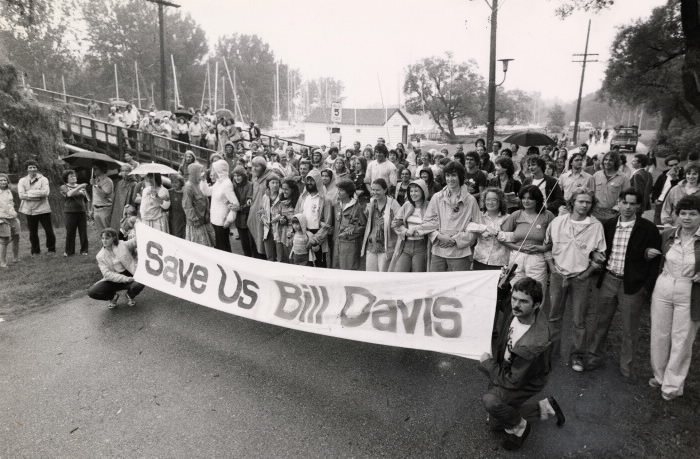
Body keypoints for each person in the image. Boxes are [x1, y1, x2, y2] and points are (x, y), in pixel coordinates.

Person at [479, 277, 565, 451]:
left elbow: (513, 381)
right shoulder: (519, 311)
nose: (516, 305)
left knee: (491, 402)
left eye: (523, 301)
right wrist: (503, 287)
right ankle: (547, 408)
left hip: (524, 380)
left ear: (536, 305)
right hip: (510, 368)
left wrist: (488, 364)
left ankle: (521, 427)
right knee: (496, 423)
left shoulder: (534, 343)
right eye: (514, 299)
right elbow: (504, 304)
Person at [587, 188, 662, 378]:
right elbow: (597, 248)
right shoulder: (609, 224)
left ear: (638, 206)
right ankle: (594, 357)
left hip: (632, 285)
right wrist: (595, 255)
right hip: (609, 280)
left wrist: (646, 287)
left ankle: (626, 368)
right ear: (618, 203)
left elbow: (655, 262)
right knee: (601, 323)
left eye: (632, 204)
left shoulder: (648, 228)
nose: (628, 207)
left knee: (630, 329)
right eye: (625, 202)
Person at [545, 188, 606, 368]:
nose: (584, 205)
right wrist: (552, 270)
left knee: (579, 320)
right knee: (554, 316)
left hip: (581, 278)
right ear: (572, 202)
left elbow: (600, 256)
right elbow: (547, 246)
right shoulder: (557, 222)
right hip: (558, 275)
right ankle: (551, 352)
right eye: (581, 201)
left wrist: (585, 274)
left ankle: (577, 356)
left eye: (588, 202)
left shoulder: (596, 226)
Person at [648, 195, 700, 401]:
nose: (687, 218)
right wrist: (648, 253)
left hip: (690, 289)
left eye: (693, 214)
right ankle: (659, 376)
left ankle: (672, 385)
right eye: (683, 213)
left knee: (682, 337)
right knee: (659, 333)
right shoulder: (668, 234)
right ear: (677, 215)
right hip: (664, 283)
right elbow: (653, 255)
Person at [421, 161, 481, 272]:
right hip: (438, 251)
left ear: (460, 177)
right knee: (437, 286)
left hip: (460, 253)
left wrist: (455, 240)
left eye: (454, 175)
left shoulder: (470, 200)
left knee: (458, 287)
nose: (450, 179)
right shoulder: (437, 197)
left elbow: (477, 228)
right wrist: (439, 236)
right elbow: (426, 222)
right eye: (447, 175)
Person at [498, 185, 555, 288]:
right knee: (515, 289)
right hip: (517, 257)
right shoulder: (516, 214)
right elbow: (501, 237)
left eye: (530, 198)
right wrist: (518, 248)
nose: (526, 201)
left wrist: (543, 248)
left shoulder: (547, 215)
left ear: (537, 200)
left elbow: (555, 239)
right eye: (523, 198)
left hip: (537, 258)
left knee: (536, 290)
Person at [87, 228, 145, 309]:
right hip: (113, 279)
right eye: (102, 238)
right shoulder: (100, 256)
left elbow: (135, 241)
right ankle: (113, 297)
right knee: (92, 292)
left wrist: (141, 229)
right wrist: (125, 279)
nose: (104, 240)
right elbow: (107, 274)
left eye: (107, 238)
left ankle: (130, 295)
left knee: (141, 282)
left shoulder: (122, 245)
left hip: (129, 274)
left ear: (113, 238)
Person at [389, 179, 431, 272]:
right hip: (405, 245)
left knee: (417, 276)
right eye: (411, 191)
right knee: (399, 273)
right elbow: (395, 223)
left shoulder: (429, 206)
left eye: (416, 191)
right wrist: (405, 231)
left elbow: (432, 224)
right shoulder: (407, 205)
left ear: (423, 191)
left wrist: (416, 229)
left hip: (421, 246)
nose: (413, 194)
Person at [295, 169, 333, 267]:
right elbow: (297, 216)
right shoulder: (302, 198)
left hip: (318, 237)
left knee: (319, 266)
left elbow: (327, 224)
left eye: (312, 180)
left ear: (318, 181)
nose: (310, 183)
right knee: (304, 265)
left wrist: (314, 240)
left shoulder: (325, 200)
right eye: (308, 180)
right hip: (303, 234)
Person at [361, 178, 401, 272]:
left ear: (385, 190)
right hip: (372, 245)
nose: (375, 192)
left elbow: (400, 220)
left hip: (387, 246)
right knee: (370, 275)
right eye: (373, 189)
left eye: (378, 190)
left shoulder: (393, 203)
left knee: (384, 274)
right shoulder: (371, 203)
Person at [200, 159, 239, 252]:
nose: (213, 172)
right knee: (218, 246)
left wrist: (229, 220)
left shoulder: (226, 184)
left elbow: (235, 204)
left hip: (222, 221)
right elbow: (207, 192)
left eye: (215, 170)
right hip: (215, 219)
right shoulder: (219, 182)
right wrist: (203, 181)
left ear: (220, 170)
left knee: (223, 247)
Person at [18, 160, 55, 255]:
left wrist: (29, 193)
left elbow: (45, 193)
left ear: (37, 168)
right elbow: (21, 196)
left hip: (43, 209)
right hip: (29, 210)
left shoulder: (44, 179)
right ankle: (35, 251)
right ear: (26, 169)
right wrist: (38, 194)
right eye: (30, 167)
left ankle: (51, 249)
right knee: (33, 232)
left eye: (34, 167)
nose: (32, 169)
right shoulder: (22, 181)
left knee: (48, 230)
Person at [469, 188, 510, 270]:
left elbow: (512, 236)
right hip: (480, 259)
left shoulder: (508, 218)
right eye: (487, 200)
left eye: (494, 200)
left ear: (500, 201)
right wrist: (483, 228)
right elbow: (467, 225)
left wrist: (496, 233)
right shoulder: (479, 215)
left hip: (499, 261)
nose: (490, 203)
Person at [331, 179, 367, 270]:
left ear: (348, 192)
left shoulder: (356, 207)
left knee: (348, 271)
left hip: (350, 246)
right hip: (336, 245)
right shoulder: (336, 205)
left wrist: (350, 232)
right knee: (336, 270)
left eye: (341, 190)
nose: (338, 192)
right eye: (338, 190)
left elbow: (363, 226)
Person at [182, 163, 215, 247]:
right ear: (194, 172)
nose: (202, 173)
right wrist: (194, 219)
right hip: (195, 223)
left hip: (203, 219)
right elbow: (187, 205)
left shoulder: (199, 183)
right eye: (200, 171)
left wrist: (207, 212)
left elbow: (205, 199)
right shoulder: (188, 187)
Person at [247, 157, 274, 258]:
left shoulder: (270, 177)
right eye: (252, 166)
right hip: (253, 214)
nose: (253, 169)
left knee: (262, 243)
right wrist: (250, 198)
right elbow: (253, 193)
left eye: (256, 166)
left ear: (263, 167)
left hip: (263, 215)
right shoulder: (255, 178)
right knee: (254, 243)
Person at [592, 152, 629, 221]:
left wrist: (617, 208)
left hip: (612, 214)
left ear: (616, 162)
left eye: (611, 160)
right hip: (595, 212)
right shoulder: (596, 175)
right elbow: (590, 191)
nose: (607, 162)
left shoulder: (623, 178)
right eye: (606, 160)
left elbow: (626, 196)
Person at [60, 169, 89, 256]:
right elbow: (69, 194)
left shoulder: (81, 186)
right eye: (71, 176)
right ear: (66, 179)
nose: (74, 177)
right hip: (70, 212)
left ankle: (84, 250)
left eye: (74, 176)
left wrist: (88, 210)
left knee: (83, 232)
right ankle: (69, 251)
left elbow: (87, 199)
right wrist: (79, 188)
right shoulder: (63, 187)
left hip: (81, 211)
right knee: (70, 232)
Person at [661, 162, 700, 226]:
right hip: (675, 226)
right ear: (685, 175)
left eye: (694, 174)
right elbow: (666, 208)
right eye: (688, 174)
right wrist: (667, 223)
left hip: (696, 228)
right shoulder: (675, 189)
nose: (691, 176)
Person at [232, 165, 255, 257]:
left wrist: (240, 208)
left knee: (252, 244)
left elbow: (250, 203)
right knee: (244, 244)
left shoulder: (250, 185)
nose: (236, 178)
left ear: (243, 176)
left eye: (239, 176)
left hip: (249, 218)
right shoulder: (233, 186)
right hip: (239, 219)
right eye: (235, 176)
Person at [652, 156, 682, 225]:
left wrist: (675, 179)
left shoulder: (684, 176)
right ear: (667, 166)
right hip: (660, 202)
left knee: (670, 227)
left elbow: (678, 190)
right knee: (657, 225)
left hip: (673, 205)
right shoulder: (663, 175)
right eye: (671, 165)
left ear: (679, 164)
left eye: (676, 164)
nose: (674, 167)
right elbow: (656, 188)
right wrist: (656, 199)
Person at [109, 164, 139, 231]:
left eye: (126, 171)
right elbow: (115, 199)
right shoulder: (119, 183)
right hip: (117, 210)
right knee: (116, 228)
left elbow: (134, 200)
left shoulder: (134, 184)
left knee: (126, 229)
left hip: (127, 209)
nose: (124, 173)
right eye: (122, 171)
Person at [260, 175, 282, 261]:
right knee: (269, 256)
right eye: (273, 182)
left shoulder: (281, 196)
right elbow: (262, 210)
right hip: (268, 229)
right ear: (268, 184)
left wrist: (277, 218)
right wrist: (263, 218)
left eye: (277, 183)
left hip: (278, 229)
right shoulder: (265, 197)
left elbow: (284, 212)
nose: (275, 185)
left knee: (280, 256)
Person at [0, 173, 20, 267]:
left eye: (5, 180)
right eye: (1, 180)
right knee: (4, 240)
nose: (3, 182)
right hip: (2, 218)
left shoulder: (9, 191)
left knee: (16, 236)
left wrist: (14, 212)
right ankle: (3, 263)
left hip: (12, 217)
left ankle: (16, 258)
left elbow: (11, 204)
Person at [90, 163, 114, 232]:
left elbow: (103, 195)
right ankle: (103, 243)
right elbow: (94, 196)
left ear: (102, 169)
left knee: (108, 231)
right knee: (101, 232)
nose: (93, 171)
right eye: (92, 169)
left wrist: (95, 185)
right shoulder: (95, 180)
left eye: (95, 169)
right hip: (96, 209)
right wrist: (92, 209)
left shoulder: (108, 181)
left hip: (105, 209)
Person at [168, 174, 186, 239]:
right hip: (173, 217)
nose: (173, 184)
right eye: (172, 182)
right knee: (174, 234)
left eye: (176, 182)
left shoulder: (184, 192)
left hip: (183, 217)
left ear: (181, 183)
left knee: (183, 235)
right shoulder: (170, 192)